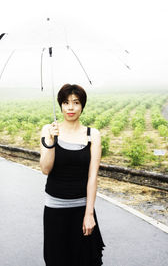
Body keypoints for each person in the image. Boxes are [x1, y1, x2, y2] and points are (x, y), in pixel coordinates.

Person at [40, 84, 105, 266]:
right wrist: (51, 142)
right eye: (66, 102)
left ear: (82, 106)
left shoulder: (93, 135)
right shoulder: (49, 130)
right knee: (57, 260)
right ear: (60, 105)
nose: (70, 107)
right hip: (54, 210)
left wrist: (89, 213)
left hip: (81, 209)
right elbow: (45, 169)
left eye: (76, 102)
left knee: (86, 260)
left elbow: (93, 176)